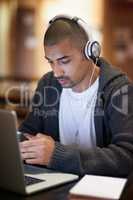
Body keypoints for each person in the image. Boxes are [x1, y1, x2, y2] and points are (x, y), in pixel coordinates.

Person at [19, 14, 133, 177]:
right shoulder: (48, 85)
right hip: (55, 186)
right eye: (51, 62)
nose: (57, 72)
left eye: (64, 61)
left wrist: (57, 155)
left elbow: (127, 158)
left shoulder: (118, 91)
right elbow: (28, 132)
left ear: (90, 53)